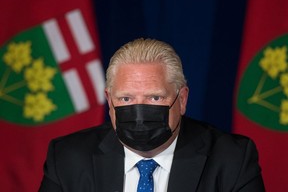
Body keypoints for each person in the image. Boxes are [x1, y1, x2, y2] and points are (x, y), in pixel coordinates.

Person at [39, 38, 265, 192]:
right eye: (126, 99)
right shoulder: (67, 158)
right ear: (109, 101)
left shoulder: (231, 159)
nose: (139, 113)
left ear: (182, 99)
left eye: (155, 98)